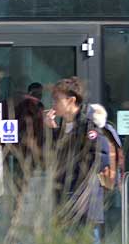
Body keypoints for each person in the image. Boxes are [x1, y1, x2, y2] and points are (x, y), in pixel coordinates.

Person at [42, 77, 110, 244]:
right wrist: (51, 131)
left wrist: (72, 173)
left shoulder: (89, 125)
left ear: (71, 100)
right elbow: (52, 157)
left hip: (83, 201)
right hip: (65, 199)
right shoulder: (64, 126)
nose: (53, 104)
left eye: (57, 99)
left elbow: (100, 159)